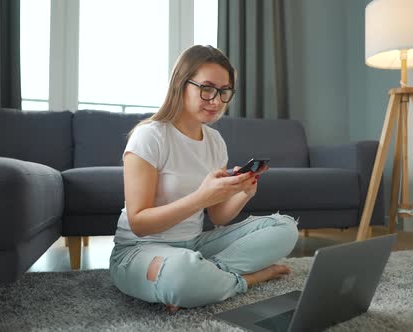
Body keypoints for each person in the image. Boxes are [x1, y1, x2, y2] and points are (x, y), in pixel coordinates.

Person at [109, 45, 299, 312]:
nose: (216, 100)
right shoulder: (149, 136)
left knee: (285, 228)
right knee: (180, 274)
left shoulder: (215, 141)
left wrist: (243, 192)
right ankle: (243, 279)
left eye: (224, 92)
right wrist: (201, 197)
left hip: (197, 245)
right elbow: (139, 223)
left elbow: (218, 217)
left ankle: (203, 278)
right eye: (207, 88)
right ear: (181, 84)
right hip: (139, 249)